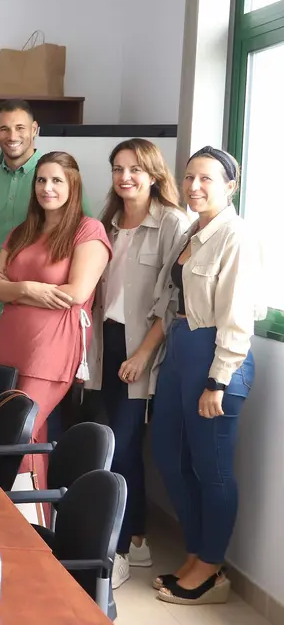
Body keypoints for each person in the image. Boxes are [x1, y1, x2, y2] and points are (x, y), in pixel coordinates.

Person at [151, 148, 262, 606]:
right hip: (181, 347)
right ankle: (196, 553)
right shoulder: (193, 230)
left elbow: (237, 316)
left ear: (230, 187)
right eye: (189, 177)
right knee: (168, 455)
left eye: (206, 179)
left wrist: (218, 381)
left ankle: (211, 566)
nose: (194, 186)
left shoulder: (235, 236)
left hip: (215, 356)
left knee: (212, 469)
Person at [84, 139, 188, 588]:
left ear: (154, 174)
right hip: (104, 343)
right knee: (108, 443)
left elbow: (172, 300)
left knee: (124, 445)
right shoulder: (107, 221)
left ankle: (124, 547)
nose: (125, 177)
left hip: (140, 346)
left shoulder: (172, 222)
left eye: (135, 169)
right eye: (118, 169)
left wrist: (143, 355)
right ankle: (137, 539)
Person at [0, 152, 110, 515]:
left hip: (51, 350)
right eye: (41, 180)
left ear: (73, 185)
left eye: (57, 180)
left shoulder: (88, 230)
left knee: (16, 433)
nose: (47, 188)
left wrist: (16, 289)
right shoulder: (22, 231)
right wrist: (28, 289)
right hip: (9, 346)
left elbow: (76, 293)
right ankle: (35, 525)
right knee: (28, 438)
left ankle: (18, 519)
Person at [0, 100, 91, 361]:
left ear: (34, 129)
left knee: (36, 384)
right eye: (4, 128)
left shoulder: (57, 178)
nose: (12, 136)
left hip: (43, 313)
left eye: (20, 127)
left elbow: (84, 236)